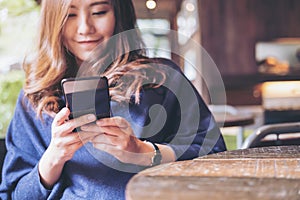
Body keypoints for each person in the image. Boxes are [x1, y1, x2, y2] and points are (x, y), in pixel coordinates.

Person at [0, 0, 226, 199]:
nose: (84, 28)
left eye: (99, 12)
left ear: (119, 14)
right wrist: (52, 159)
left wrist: (143, 152)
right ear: (53, 22)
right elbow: (13, 193)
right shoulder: (35, 97)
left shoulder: (162, 78)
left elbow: (215, 157)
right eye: (70, 15)